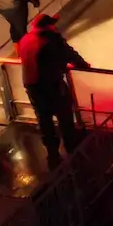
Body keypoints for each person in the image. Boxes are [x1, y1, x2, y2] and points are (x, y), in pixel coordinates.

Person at [20, 14, 91, 159]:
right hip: (50, 84)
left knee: (44, 117)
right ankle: (71, 143)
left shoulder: (26, 39)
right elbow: (68, 54)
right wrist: (83, 65)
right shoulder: (50, 40)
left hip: (32, 86)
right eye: (52, 24)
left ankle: (52, 150)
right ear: (47, 27)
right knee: (64, 112)